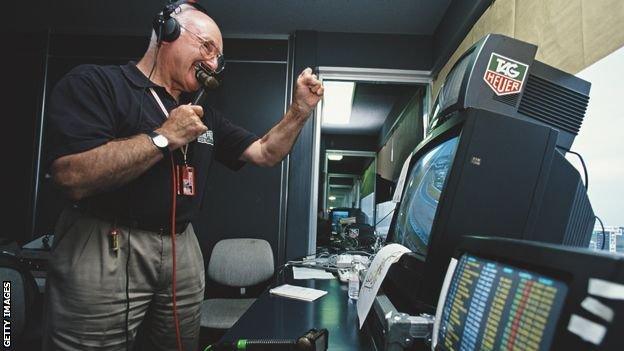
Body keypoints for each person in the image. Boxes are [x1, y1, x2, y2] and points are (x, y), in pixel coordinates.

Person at [41, 1, 323, 350]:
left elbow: (266, 152)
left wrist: (299, 111)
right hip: (106, 240)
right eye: (207, 47)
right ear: (167, 32)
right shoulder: (98, 84)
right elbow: (70, 176)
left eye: (219, 57)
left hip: (181, 246)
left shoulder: (203, 114)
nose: (214, 62)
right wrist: (163, 137)